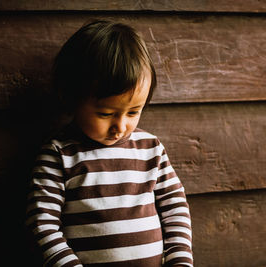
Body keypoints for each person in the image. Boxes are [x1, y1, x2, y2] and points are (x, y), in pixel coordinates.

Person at [25, 20, 193, 266]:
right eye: (105, 114)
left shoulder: (150, 149)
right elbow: (42, 224)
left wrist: (180, 260)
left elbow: (175, 207)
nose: (120, 126)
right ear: (71, 97)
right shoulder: (60, 155)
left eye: (133, 112)